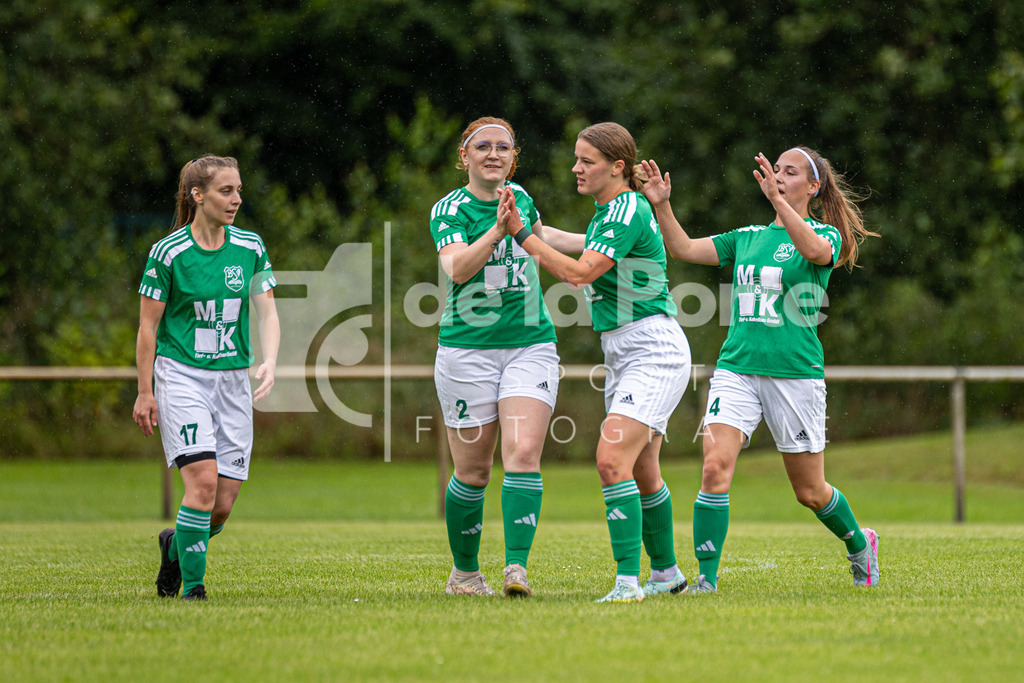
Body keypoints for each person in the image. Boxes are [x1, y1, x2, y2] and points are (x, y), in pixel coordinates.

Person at [639, 147, 881, 593]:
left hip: (795, 373)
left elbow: (812, 250)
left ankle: (859, 542)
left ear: (813, 187)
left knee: (810, 492)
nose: (780, 176)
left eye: (791, 173)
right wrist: (661, 203)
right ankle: (706, 581)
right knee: (714, 468)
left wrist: (779, 204)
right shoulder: (748, 236)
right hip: (737, 369)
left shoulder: (823, 233)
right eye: (776, 170)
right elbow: (684, 248)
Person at [499, 122, 691, 603]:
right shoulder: (614, 210)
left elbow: (580, 273)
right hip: (627, 351)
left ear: (617, 167)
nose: (576, 168)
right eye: (577, 158)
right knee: (643, 470)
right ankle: (666, 573)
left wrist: (522, 235)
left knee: (610, 459)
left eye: (587, 160)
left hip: (652, 349)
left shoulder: (625, 209)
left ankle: (628, 582)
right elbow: (577, 244)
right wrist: (535, 229)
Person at [430, 117, 583, 598]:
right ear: (465, 156)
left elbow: (542, 237)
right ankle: (465, 574)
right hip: (466, 351)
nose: (493, 154)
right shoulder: (449, 209)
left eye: (503, 147)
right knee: (472, 471)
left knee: (521, 454)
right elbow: (456, 268)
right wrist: (498, 232)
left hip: (529, 344)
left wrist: (602, 245)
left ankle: (516, 570)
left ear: (513, 156)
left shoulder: (520, 196)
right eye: (483, 147)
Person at [133, 155, 280, 601]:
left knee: (221, 506)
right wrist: (145, 391)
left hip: (233, 381)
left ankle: (176, 546)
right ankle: (193, 591)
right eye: (226, 191)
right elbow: (147, 329)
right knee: (202, 484)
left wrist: (269, 359)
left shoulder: (250, 247)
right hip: (181, 378)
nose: (236, 199)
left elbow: (268, 311)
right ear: (198, 195)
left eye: (238, 190)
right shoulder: (168, 253)